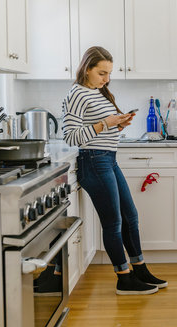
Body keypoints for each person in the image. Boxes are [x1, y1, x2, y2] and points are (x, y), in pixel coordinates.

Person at [62, 46, 167, 295]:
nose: (106, 79)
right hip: (94, 162)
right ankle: (123, 277)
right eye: (101, 73)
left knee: (130, 216)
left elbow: (100, 130)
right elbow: (70, 137)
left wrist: (117, 125)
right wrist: (104, 124)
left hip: (109, 159)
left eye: (109, 74)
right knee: (114, 222)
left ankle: (139, 268)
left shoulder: (99, 92)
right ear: (86, 69)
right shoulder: (76, 94)